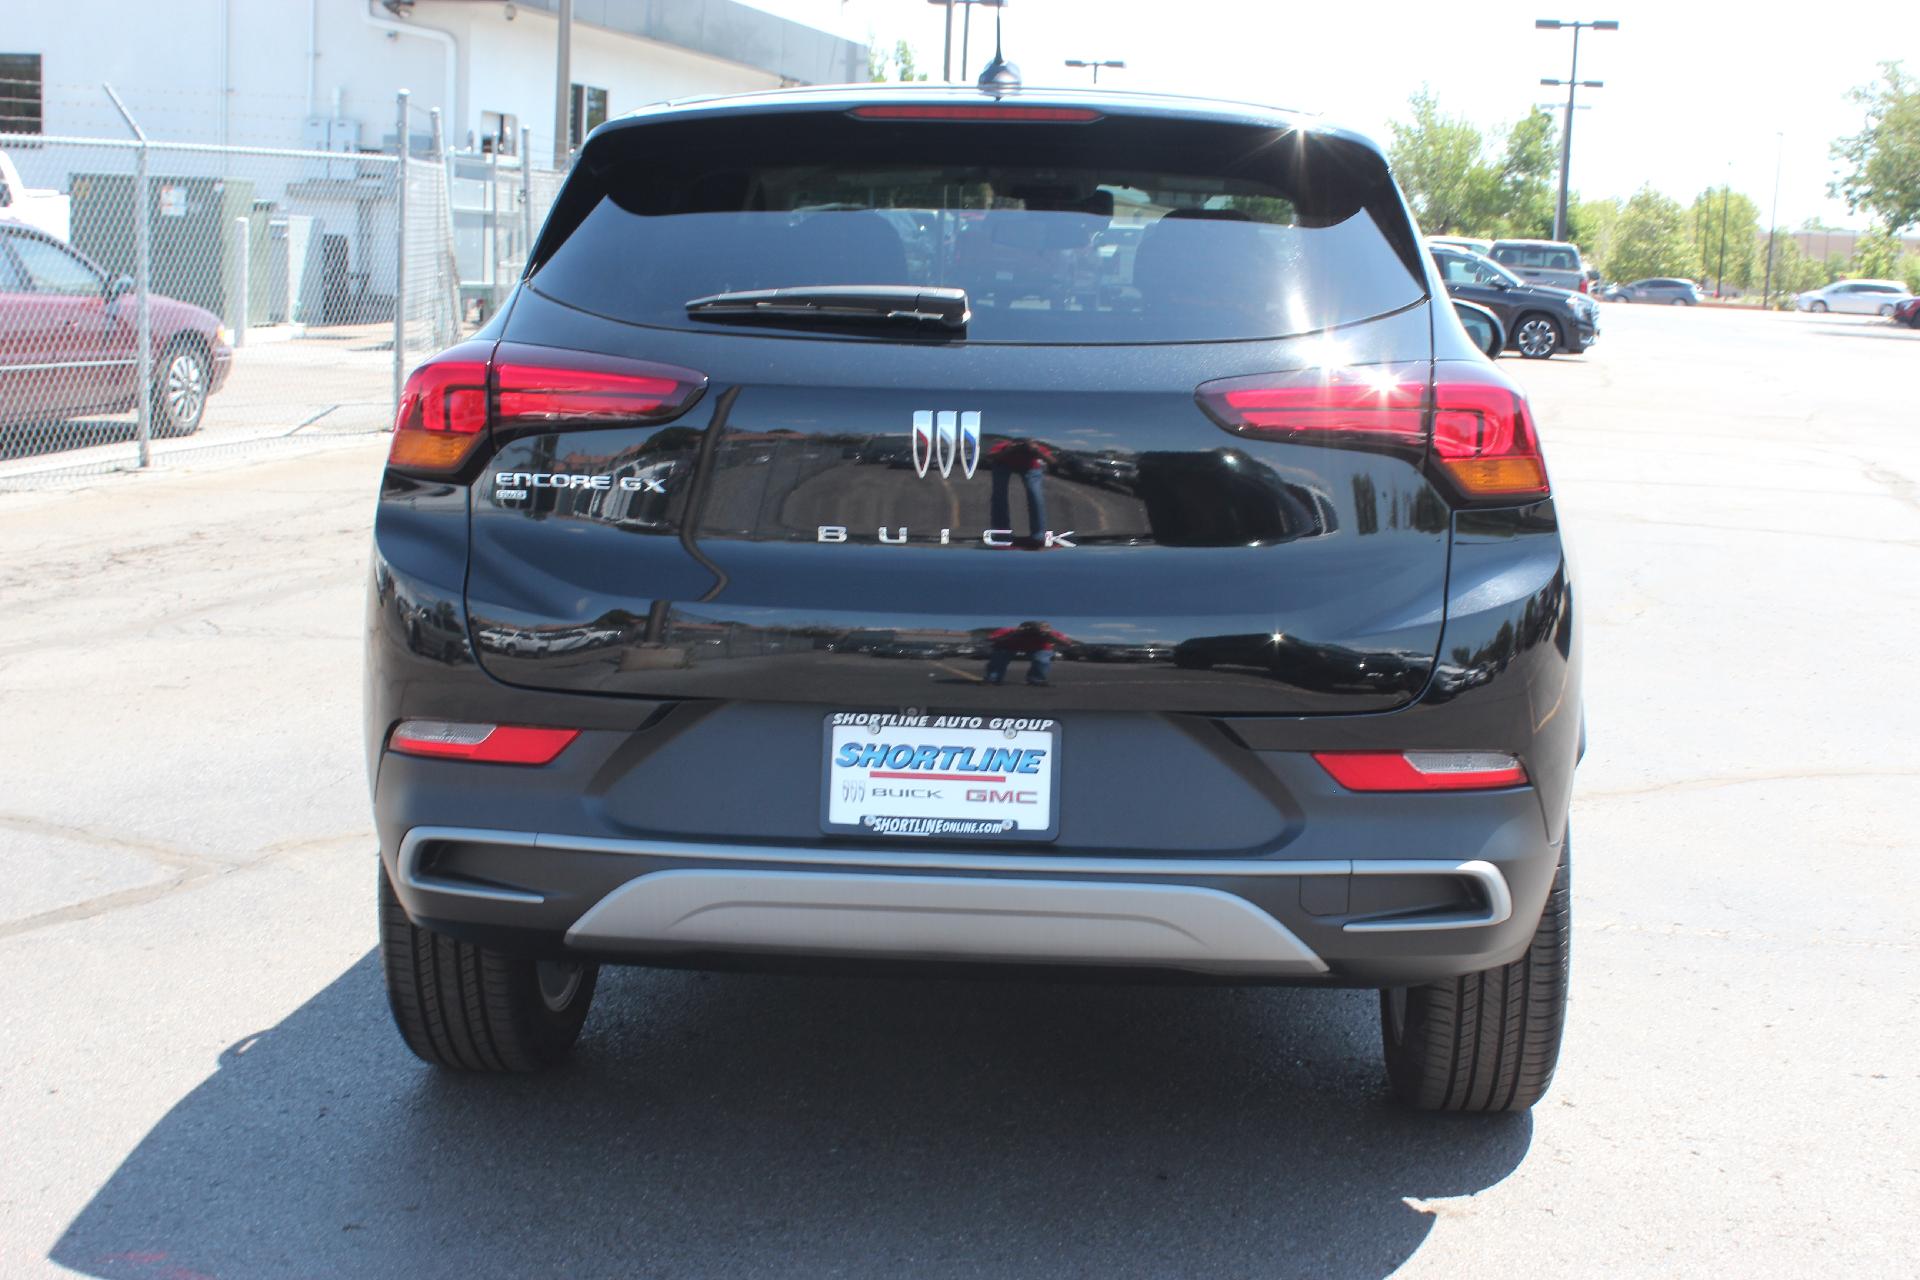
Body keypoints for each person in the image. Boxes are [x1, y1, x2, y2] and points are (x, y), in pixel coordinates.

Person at [987, 437, 1055, 541]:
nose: (1021, 447)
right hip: (1003, 463)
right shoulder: (1004, 445)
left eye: (1024, 445)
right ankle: (1001, 533)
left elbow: (1052, 461)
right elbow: (990, 456)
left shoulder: (1037, 447)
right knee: (999, 495)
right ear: (1012, 443)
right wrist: (1007, 450)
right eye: (1018, 445)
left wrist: (1037, 452)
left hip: (1031, 466)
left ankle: (1039, 534)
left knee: (1035, 495)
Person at [984, 620, 1072, 687]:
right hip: (1008, 646)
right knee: (999, 659)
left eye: (1035, 632)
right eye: (1028, 632)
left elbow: (1068, 643)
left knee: (1042, 660)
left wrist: (1051, 637)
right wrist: (1012, 634)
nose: (1031, 634)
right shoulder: (1008, 630)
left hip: (1039, 648)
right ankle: (993, 679)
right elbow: (990, 639)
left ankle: (1036, 679)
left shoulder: (1051, 633)